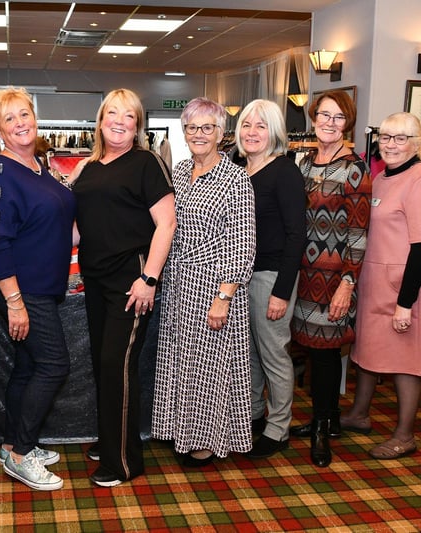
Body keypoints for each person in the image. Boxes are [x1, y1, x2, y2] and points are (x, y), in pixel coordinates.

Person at [71, 88, 176, 486]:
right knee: (104, 365)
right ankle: (112, 438)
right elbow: (80, 228)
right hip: (95, 279)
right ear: (100, 120)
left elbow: (166, 224)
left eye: (128, 115)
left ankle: (123, 463)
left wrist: (150, 278)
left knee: (117, 365)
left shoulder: (145, 162)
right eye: (111, 113)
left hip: (132, 280)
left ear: (137, 125)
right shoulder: (90, 167)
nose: (118, 120)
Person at [0, 87, 76, 492]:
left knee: (29, 367)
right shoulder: (0, 174)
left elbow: (55, 223)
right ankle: (21, 453)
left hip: (44, 285)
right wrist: (15, 303)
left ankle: (14, 443)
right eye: (9, 119)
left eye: (24, 114)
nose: (20, 123)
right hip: (23, 289)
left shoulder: (39, 167)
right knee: (54, 365)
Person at [151, 97, 255, 467]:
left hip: (215, 284)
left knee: (211, 366)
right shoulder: (177, 171)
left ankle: (209, 439)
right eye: (192, 127)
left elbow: (244, 243)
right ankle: (184, 429)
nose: (199, 134)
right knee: (182, 361)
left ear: (221, 134)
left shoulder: (236, 179)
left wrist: (224, 296)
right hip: (179, 283)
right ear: (183, 132)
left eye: (207, 127)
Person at [342, 113, 421, 460]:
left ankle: (405, 435)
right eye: (385, 137)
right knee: (369, 348)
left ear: (416, 142)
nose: (391, 144)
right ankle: (358, 414)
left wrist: (405, 302)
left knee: (406, 359)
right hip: (377, 278)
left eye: (401, 138)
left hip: (407, 283)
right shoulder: (381, 177)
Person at [289, 90, 372, 467]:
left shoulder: (355, 168)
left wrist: (347, 283)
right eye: (324, 115)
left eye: (338, 117)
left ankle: (322, 428)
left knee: (324, 353)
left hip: (335, 276)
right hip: (303, 274)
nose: (329, 122)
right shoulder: (304, 163)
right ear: (313, 117)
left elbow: (358, 233)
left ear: (348, 123)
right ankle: (331, 418)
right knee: (311, 349)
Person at [236, 99, 306, 459]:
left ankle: (279, 427)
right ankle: (254, 415)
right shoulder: (235, 168)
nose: (252, 132)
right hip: (239, 276)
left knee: (274, 354)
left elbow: (297, 235)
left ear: (274, 131)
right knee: (248, 354)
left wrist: (281, 292)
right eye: (247, 125)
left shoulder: (284, 172)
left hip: (271, 276)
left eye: (261, 126)